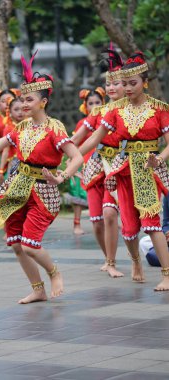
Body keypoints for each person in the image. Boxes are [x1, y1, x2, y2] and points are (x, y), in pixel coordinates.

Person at [0, 52, 83, 303]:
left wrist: (63, 176)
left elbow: (76, 156)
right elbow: (3, 141)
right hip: (19, 186)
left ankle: (54, 273)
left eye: (29, 100)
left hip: (43, 191)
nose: (24, 104)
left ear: (43, 102)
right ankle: (38, 289)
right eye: (22, 99)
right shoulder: (22, 127)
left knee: (29, 244)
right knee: (15, 244)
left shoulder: (54, 128)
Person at [79, 51, 169, 291]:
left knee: (152, 224)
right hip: (123, 170)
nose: (127, 88)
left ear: (144, 83)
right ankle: (136, 261)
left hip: (148, 171)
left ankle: (167, 274)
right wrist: (72, 156)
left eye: (132, 83)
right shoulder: (115, 111)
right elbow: (95, 137)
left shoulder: (159, 109)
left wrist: (159, 159)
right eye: (124, 84)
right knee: (129, 228)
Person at [72, 47, 125, 277]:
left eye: (117, 83)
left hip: (126, 165)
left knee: (125, 218)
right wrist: (62, 155)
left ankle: (131, 260)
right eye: (109, 83)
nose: (112, 87)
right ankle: (109, 259)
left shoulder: (136, 110)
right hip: (98, 166)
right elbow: (78, 138)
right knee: (98, 220)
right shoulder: (98, 114)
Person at [66, 88, 104, 235]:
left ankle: (107, 220)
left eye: (97, 102)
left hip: (103, 161)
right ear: (85, 106)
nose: (94, 106)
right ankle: (77, 224)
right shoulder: (83, 123)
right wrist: (72, 162)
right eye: (91, 103)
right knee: (79, 195)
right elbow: (73, 143)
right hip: (85, 161)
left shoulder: (106, 119)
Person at [0, 96, 25, 183]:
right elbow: (5, 150)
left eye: (23, 109)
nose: (20, 112)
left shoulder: (31, 125)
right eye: (16, 110)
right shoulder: (9, 129)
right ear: (9, 112)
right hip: (15, 163)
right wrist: (1, 170)